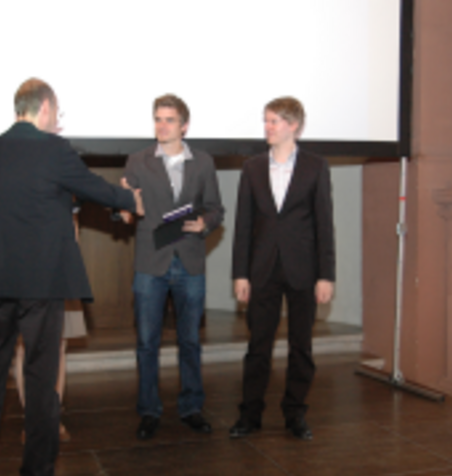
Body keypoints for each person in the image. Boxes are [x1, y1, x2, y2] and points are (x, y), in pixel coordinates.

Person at [0, 78, 143, 476]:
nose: (57, 120)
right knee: (42, 377)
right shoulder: (54, 150)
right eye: (56, 113)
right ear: (44, 108)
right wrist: (129, 198)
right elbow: (95, 189)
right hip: (41, 284)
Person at [229, 97, 335, 441]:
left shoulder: (316, 167)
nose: (268, 127)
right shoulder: (252, 168)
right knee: (258, 347)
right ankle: (249, 415)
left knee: (301, 347)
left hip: (304, 270)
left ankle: (295, 414)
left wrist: (326, 275)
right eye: (266, 120)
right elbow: (243, 225)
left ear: (294, 126)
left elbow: (324, 225)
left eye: (274, 121)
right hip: (262, 270)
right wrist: (240, 273)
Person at [121, 94, 224, 440]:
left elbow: (216, 208)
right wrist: (122, 206)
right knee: (147, 342)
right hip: (151, 262)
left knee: (190, 341)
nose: (161, 126)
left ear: (184, 126)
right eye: (157, 119)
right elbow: (125, 210)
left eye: (169, 120)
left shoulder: (203, 162)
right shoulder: (138, 160)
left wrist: (205, 223)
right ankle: (149, 411)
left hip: (190, 261)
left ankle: (192, 407)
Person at [14, 208, 86, 443]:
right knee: (23, 348)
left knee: (59, 347)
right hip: (23, 272)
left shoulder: (67, 191)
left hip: (61, 271)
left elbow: (74, 232)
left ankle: (52, 419)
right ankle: (31, 420)